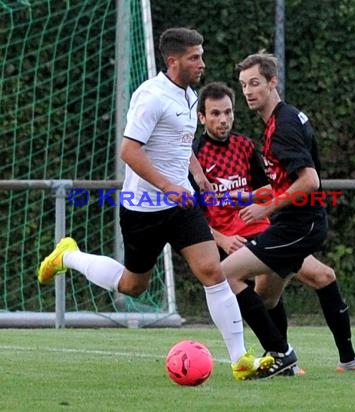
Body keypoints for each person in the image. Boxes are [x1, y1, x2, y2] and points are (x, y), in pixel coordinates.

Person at [36, 28, 273, 381]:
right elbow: (129, 150)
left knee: (212, 271)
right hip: (143, 208)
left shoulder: (190, 96)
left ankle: (240, 360)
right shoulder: (151, 96)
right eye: (195, 57)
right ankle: (68, 255)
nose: (202, 63)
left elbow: (180, 143)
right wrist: (165, 185)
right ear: (173, 60)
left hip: (182, 207)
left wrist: (196, 173)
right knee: (134, 285)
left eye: (202, 55)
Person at [194, 81, 355, 376]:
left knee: (319, 276)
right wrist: (222, 236)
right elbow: (191, 213)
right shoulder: (195, 156)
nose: (223, 120)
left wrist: (250, 199)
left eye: (228, 112)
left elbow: (269, 189)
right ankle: (283, 356)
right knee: (265, 295)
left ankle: (334, 359)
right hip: (232, 239)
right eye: (215, 113)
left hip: (266, 229)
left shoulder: (245, 146)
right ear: (202, 118)